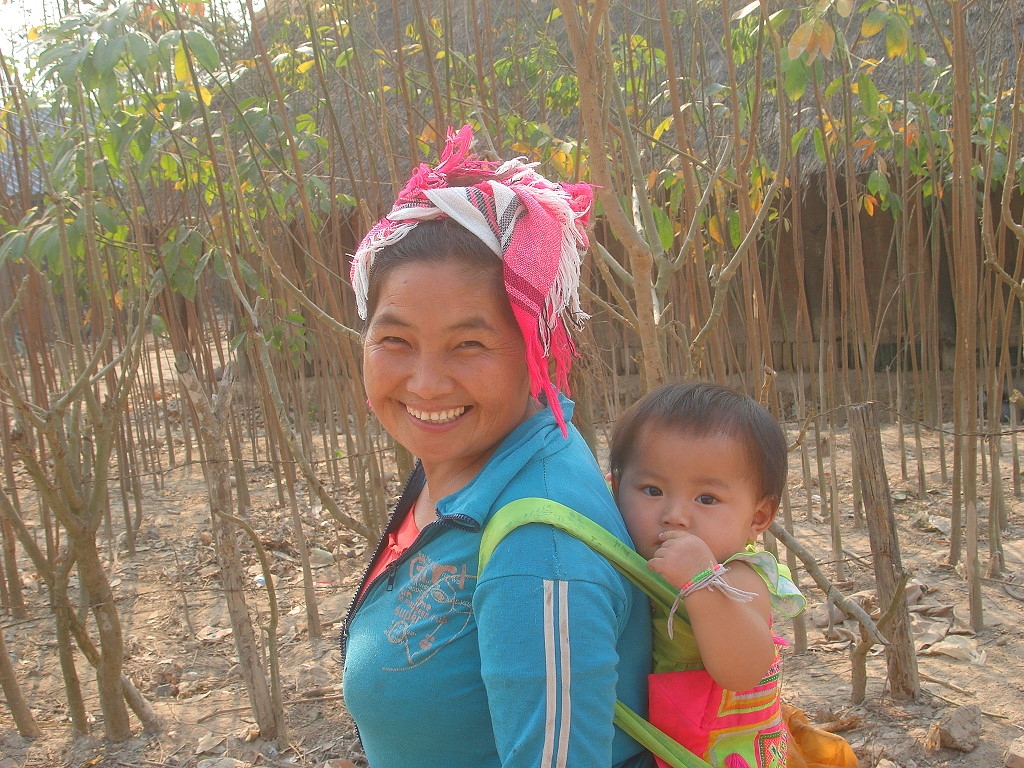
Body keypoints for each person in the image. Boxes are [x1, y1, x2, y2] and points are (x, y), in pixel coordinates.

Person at [340, 125, 653, 768]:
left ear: (534, 351)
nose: (425, 383)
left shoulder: (536, 549)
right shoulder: (462, 466)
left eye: (469, 344)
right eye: (394, 339)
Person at [608, 382, 806, 768]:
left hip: (722, 754)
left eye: (706, 499)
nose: (675, 515)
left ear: (758, 517)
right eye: (651, 490)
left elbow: (744, 671)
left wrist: (702, 583)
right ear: (614, 490)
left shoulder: (739, 577)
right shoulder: (626, 554)